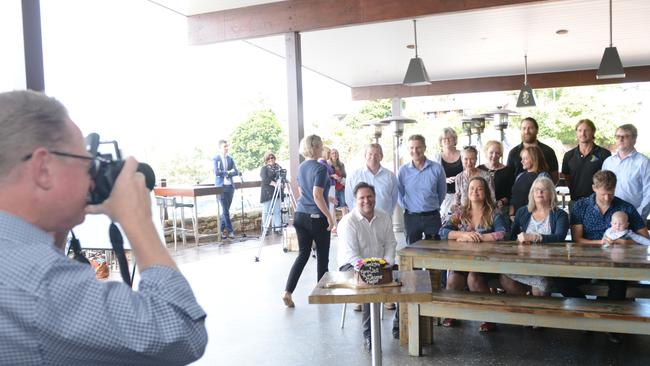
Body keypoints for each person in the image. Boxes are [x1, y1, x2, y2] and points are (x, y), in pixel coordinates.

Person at [0, 90, 207, 364]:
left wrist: (56, 223)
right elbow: (181, 332)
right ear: (43, 169)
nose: (91, 179)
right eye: (87, 163)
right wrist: (138, 221)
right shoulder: (36, 281)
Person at [569, 169, 649, 343]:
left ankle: (611, 326)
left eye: (611, 193)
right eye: (604, 194)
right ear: (594, 188)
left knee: (618, 282)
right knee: (561, 281)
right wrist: (601, 242)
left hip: (617, 260)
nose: (607, 198)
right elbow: (577, 239)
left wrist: (622, 243)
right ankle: (590, 312)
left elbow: (645, 238)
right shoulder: (580, 206)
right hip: (587, 259)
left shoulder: (625, 207)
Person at [439, 176, 508, 332]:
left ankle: (488, 317)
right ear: (467, 192)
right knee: (453, 280)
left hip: (487, 262)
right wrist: (462, 235)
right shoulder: (461, 213)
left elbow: (503, 233)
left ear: (486, 192)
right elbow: (443, 231)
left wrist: (480, 237)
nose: (475, 191)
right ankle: (452, 313)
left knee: (474, 278)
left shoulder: (494, 212)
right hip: (464, 261)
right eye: (471, 188)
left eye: (479, 188)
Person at [338, 182, 397, 352]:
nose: (366, 201)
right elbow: (351, 255)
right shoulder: (348, 222)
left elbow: (391, 244)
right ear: (355, 200)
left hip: (381, 264)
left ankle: (399, 327)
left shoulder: (384, 216)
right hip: (351, 266)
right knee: (370, 286)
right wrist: (372, 269)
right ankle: (369, 335)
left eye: (369, 196)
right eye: (361, 198)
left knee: (407, 278)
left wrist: (386, 263)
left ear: (375, 197)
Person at [282, 135, 336, 308]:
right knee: (322, 256)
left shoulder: (301, 167)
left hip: (300, 215)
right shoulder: (320, 169)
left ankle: (287, 292)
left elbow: (306, 192)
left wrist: (327, 197)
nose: (322, 148)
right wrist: (329, 215)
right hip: (316, 218)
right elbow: (316, 195)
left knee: (303, 255)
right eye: (320, 145)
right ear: (316, 147)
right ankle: (321, 294)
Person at [501, 176, 569, 297]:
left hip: (548, 265)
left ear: (552, 193)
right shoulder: (523, 212)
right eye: (536, 189)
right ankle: (526, 307)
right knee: (504, 277)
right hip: (523, 262)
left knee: (540, 287)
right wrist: (518, 240)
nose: (539, 192)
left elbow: (560, 237)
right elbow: (512, 237)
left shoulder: (560, 215)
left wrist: (534, 237)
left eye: (544, 189)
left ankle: (537, 312)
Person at [398, 134, 447, 244]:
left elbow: (442, 192)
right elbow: (399, 193)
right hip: (411, 218)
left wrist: (431, 206)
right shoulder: (403, 171)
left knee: (435, 251)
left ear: (424, 148)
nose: (415, 150)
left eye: (418, 147)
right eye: (411, 148)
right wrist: (407, 207)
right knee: (412, 252)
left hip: (432, 217)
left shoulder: (437, 169)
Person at [601, 124, 650, 219]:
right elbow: (602, 188)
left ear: (634, 139)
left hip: (634, 217)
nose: (621, 139)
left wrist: (638, 216)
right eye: (618, 136)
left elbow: (649, 193)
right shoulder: (608, 162)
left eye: (626, 136)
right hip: (609, 217)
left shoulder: (643, 163)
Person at [560, 119, 611, 201]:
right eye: (580, 130)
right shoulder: (568, 155)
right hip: (575, 201)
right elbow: (567, 179)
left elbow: (609, 180)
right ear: (576, 132)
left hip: (598, 202)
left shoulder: (604, 154)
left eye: (586, 130)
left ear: (593, 132)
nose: (582, 133)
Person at [344, 143, 398, 215]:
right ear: (365, 156)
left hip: (383, 219)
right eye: (370, 154)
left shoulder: (390, 176)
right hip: (360, 220)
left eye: (376, 154)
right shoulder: (353, 176)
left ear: (381, 157)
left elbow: (394, 198)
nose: (373, 157)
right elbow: (349, 199)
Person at [506, 117, 559, 183]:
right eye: (524, 128)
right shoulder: (513, 152)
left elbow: (555, 177)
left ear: (537, 130)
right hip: (519, 191)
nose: (526, 131)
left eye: (530, 128)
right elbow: (508, 177)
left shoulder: (548, 151)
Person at [509, 145, 550, 218]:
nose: (522, 161)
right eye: (522, 158)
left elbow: (544, 201)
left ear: (534, 159)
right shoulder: (520, 175)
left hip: (532, 217)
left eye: (525, 158)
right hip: (515, 217)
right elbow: (514, 196)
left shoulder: (542, 176)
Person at [478, 140, 514, 218]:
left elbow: (512, 193)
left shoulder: (508, 171)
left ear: (501, 154)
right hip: (481, 209)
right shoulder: (479, 169)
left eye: (497, 153)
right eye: (491, 152)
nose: (494, 155)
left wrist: (503, 201)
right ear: (486, 153)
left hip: (501, 209)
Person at [432, 128, 463, 218]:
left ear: (455, 139)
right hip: (445, 197)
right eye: (444, 139)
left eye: (449, 138)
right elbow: (433, 178)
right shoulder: (436, 157)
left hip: (463, 195)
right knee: (446, 222)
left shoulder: (463, 154)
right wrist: (444, 180)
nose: (446, 140)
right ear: (440, 142)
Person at [213, 139, 239, 239]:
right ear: (220, 148)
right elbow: (216, 172)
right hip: (221, 187)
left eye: (227, 146)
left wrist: (228, 173)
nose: (227, 148)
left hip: (230, 187)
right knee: (225, 210)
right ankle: (230, 231)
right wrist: (227, 172)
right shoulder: (216, 159)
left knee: (226, 210)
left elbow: (236, 171)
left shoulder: (230, 158)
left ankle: (221, 231)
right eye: (225, 146)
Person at [260, 151, 283, 234]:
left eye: (272, 157)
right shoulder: (264, 169)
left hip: (276, 192)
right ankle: (265, 229)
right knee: (266, 211)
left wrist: (281, 183)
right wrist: (274, 183)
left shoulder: (279, 168)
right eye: (268, 158)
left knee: (277, 211)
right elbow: (265, 179)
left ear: (274, 158)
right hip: (267, 193)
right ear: (266, 160)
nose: (270, 159)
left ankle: (278, 228)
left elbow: (282, 178)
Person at [318, 146, 338, 224]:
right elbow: (323, 176)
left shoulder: (327, 163)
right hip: (328, 186)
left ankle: (332, 224)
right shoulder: (321, 163)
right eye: (328, 152)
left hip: (332, 185)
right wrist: (332, 176)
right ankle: (328, 223)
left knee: (332, 205)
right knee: (329, 204)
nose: (329, 154)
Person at [330, 148, 349, 216]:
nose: (334, 154)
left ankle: (345, 222)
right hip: (333, 188)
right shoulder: (329, 164)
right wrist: (334, 177)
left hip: (341, 187)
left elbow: (344, 175)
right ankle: (334, 223)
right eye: (332, 153)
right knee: (333, 205)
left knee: (343, 204)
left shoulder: (341, 164)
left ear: (338, 155)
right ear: (330, 155)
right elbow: (327, 175)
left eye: (336, 153)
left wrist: (341, 178)